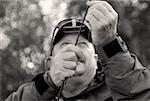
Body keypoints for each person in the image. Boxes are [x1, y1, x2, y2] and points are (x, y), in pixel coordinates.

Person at [5, 1, 150, 101]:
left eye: (83, 44)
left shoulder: (116, 91)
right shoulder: (35, 94)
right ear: (50, 63)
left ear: (96, 60)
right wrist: (49, 83)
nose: (74, 48)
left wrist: (109, 42)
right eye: (64, 45)